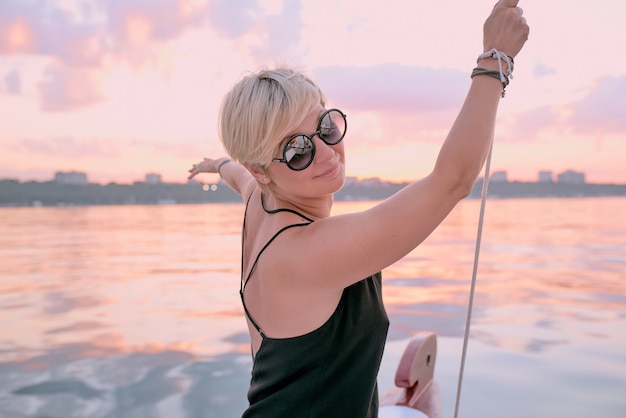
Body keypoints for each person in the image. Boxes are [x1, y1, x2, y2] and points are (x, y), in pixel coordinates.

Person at [188, 1, 528, 416]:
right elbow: (452, 181)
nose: (327, 153)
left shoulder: (259, 203)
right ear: (263, 170)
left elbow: (234, 174)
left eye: (325, 126)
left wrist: (213, 165)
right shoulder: (310, 253)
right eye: (297, 150)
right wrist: (496, 59)